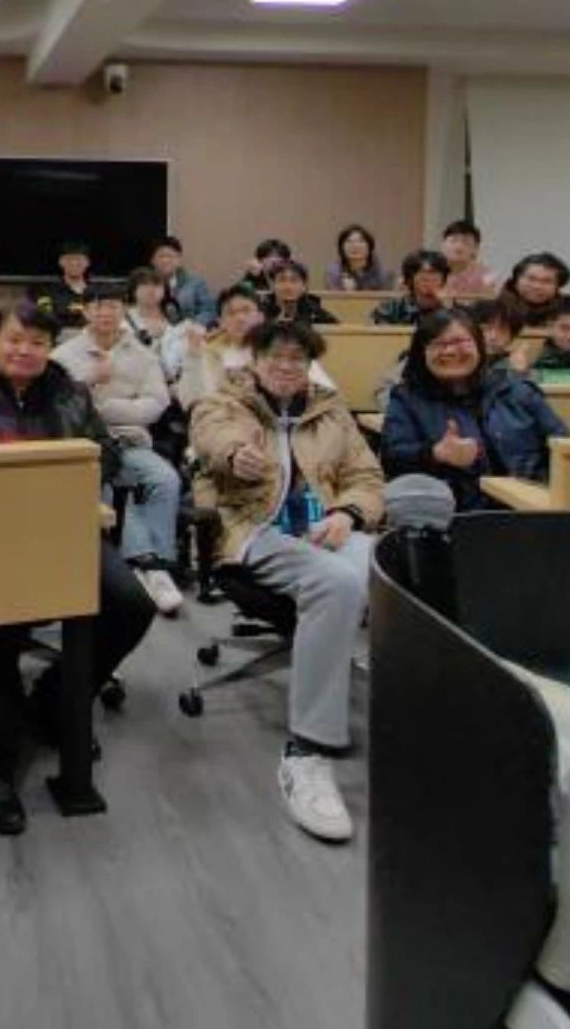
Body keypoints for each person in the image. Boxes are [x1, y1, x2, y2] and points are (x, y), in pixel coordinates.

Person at [0, 299, 156, 836]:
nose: (24, 351)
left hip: (62, 528)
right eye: (14, 339)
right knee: (1, 627)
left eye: (37, 343)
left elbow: (109, 455)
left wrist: (81, 458)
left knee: (132, 606)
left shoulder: (69, 392)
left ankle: (51, 704)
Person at [190, 320, 384, 843]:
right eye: (274, 356)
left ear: (310, 365)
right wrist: (238, 456)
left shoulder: (331, 412)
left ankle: (420, 711)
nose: (285, 366)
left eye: (297, 358)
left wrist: (348, 512)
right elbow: (213, 441)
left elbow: (367, 479)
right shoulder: (224, 403)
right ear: (253, 360)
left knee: (393, 568)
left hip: (325, 529)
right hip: (254, 531)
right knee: (338, 585)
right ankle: (307, 750)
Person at [53, 289, 184, 614]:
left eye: (112, 306)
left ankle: (159, 565)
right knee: (111, 486)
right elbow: (57, 404)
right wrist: (89, 380)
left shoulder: (142, 354)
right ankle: (141, 564)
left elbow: (157, 403)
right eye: (98, 306)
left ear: (123, 311)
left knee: (165, 479)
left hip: (130, 440)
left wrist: (107, 408)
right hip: (85, 446)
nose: (105, 313)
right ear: (86, 311)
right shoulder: (64, 355)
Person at [382, 308, 569, 509]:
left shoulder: (517, 391)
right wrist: (435, 453)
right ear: (422, 353)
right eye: (438, 344)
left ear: (479, 345)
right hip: (455, 514)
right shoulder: (407, 398)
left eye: (459, 342)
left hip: (529, 510)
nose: (450, 351)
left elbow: (563, 449)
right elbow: (392, 459)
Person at [178, 284, 336, 407]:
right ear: (221, 322)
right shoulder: (209, 352)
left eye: (246, 311)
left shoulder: (284, 348)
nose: (239, 318)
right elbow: (190, 402)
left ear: (261, 317)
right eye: (231, 313)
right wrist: (193, 356)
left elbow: (327, 390)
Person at [125, 266, 188, 383]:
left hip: (172, 382)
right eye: (144, 285)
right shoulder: (123, 321)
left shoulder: (176, 321)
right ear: (133, 290)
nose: (151, 290)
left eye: (157, 285)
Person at [371, 249, 450, 325]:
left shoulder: (450, 309)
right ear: (410, 280)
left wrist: (444, 307)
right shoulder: (390, 309)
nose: (429, 284)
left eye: (434, 278)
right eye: (424, 278)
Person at [151, 236, 214, 327]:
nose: (165, 260)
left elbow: (209, 311)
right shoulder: (145, 285)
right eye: (161, 256)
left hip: (188, 331)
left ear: (179, 260)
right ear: (152, 261)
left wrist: (191, 325)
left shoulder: (196, 283)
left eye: (170, 256)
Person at [32, 241, 92, 328]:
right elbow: (45, 316)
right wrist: (73, 313)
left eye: (79, 259)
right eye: (69, 259)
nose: (74, 263)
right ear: (61, 262)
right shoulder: (45, 291)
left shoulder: (97, 291)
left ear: (87, 262)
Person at [501, 252, 570, 327]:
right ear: (516, 279)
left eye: (547, 281)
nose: (537, 286)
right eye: (531, 279)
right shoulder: (495, 307)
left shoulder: (568, 315)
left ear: (557, 287)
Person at [261, 260, 338, 325]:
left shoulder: (316, 314)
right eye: (282, 280)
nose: (288, 286)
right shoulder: (261, 313)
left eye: (294, 281)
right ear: (272, 285)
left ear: (304, 286)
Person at [469, 297, 530, 376]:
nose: (493, 337)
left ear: (512, 336)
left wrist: (519, 373)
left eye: (502, 331)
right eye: (486, 328)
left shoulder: (511, 365)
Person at [440, 220, 500, 299]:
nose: (459, 246)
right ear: (443, 245)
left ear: (476, 249)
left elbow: (490, 297)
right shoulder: (434, 271)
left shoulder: (486, 276)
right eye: (453, 241)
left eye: (466, 242)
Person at [324, 224, 392, 291]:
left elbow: (385, 296)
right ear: (341, 248)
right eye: (349, 241)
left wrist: (354, 291)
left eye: (360, 241)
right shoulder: (334, 272)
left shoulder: (383, 274)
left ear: (369, 247)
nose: (355, 246)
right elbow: (332, 296)